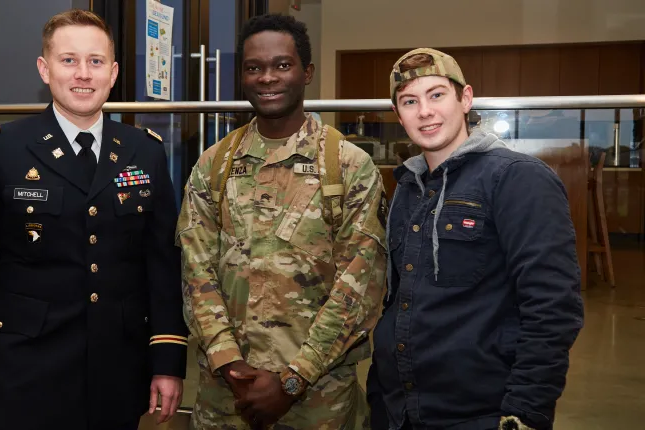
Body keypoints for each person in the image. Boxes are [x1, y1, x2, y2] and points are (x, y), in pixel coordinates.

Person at [0, 9, 188, 430]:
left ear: (113, 72)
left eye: (96, 61)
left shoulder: (144, 151)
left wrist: (166, 360)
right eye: (69, 60)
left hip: (117, 371)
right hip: (23, 369)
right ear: (45, 69)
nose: (83, 74)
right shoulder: (2, 150)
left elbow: (162, 264)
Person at [176, 14, 388, 430]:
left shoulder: (348, 166)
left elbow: (359, 289)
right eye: (254, 68)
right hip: (227, 398)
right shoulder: (214, 164)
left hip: (318, 400)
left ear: (306, 72)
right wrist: (231, 365)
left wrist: (293, 381)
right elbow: (195, 273)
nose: (267, 78)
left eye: (282, 65)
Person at [366, 48, 584, 430]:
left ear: (465, 98)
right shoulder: (407, 187)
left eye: (437, 95)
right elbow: (397, 301)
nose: (425, 111)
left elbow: (553, 307)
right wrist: (380, 395)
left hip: (482, 413)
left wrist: (525, 411)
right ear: (398, 115)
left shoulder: (517, 179)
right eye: (409, 101)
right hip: (401, 411)